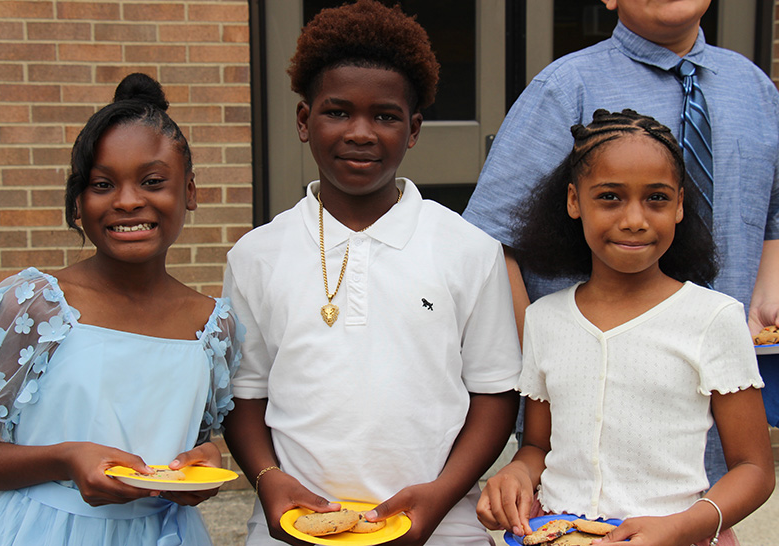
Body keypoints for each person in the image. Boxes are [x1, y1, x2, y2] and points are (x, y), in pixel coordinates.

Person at [222, 1, 521, 544]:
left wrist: (443, 492)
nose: (361, 132)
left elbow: (494, 395)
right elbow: (246, 393)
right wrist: (268, 481)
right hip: (294, 528)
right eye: (337, 111)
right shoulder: (256, 255)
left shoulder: (469, 250)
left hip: (442, 526)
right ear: (302, 120)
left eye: (385, 116)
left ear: (413, 129)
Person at [462, 0, 779, 484]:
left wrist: (765, 299)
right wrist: (544, 349)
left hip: (717, 378)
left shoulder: (755, 88)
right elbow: (489, 238)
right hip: (593, 403)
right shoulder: (564, 87)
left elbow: (773, 212)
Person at [476, 109, 774, 546]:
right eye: (610, 197)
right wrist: (517, 472)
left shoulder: (713, 318)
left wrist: (684, 525)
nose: (634, 218)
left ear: (679, 205)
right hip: (561, 535)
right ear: (574, 201)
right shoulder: (545, 319)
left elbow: (754, 469)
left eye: (656, 198)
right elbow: (538, 444)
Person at [0, 73, 244, 545]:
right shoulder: (35, 305)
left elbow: (187, 443)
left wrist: (204, 458)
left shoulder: (211, 324)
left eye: (152, 181)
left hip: (167, 533)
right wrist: (63, 459)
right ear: (78, 204)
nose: (127, 201)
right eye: (103, 184)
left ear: (190, 192)